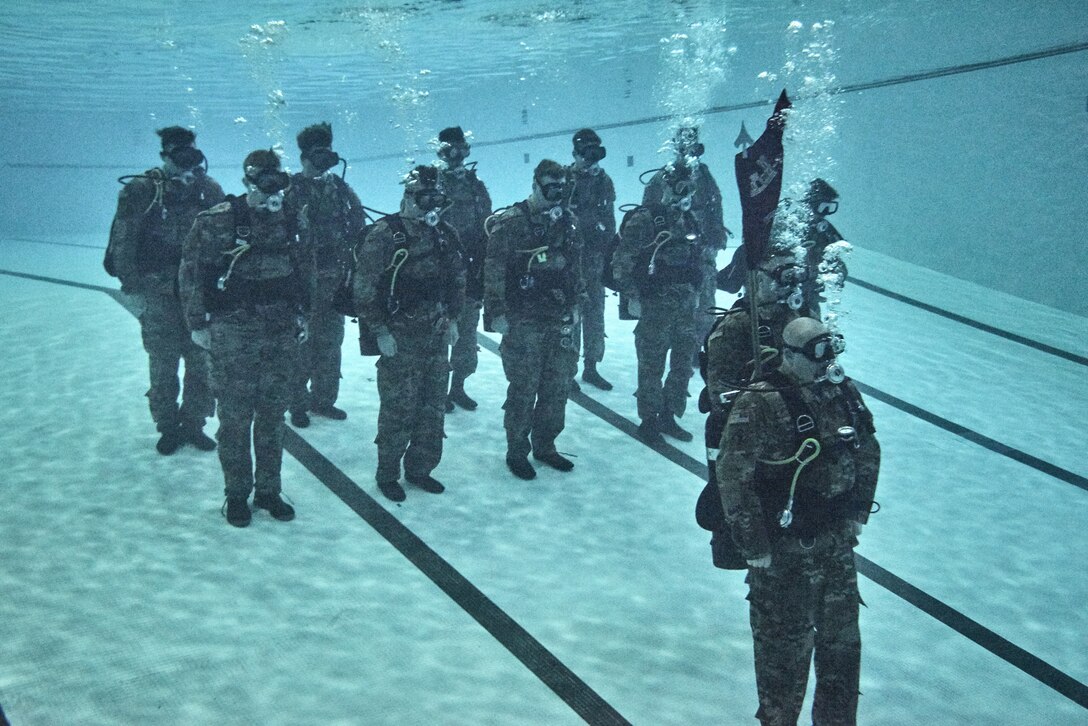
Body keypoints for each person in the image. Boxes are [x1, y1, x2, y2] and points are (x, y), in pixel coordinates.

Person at [716, 317, 880, 726]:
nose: (828, 362)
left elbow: (868, 445)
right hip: (784, 553)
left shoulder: (842, 391)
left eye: (831, 349)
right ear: (789, 355)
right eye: (817, 353)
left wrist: (858, 508)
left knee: (842, 650)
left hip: (836, 546)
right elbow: (733, 474)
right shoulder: (761, 402)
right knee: (783, 658)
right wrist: (754, 545)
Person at [179, 149, 311, 527]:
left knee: (272, 416)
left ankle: (268, 490)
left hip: (281, 328)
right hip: (233, 330)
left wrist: (304, 315)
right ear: (247, 181)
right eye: (263, 181)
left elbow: (305, 270)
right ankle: (236, 494)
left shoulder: (292, 218)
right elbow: (190, 275)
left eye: (276, 180)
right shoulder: (215, 221)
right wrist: (197, 324)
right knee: (235, 418)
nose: (271, 190)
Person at [108, 126, 224, 454]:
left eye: (191, 152)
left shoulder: (209, 189)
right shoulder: (143, 190)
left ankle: (195, 423)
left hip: (199, 294)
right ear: (164, 156)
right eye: (178, 154)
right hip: (158, 293)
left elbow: (222, 239)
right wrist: (132, 285)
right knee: (163, 364)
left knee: (201, 363)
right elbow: (124, 239)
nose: (187, 161)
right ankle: (167, 425)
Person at [353, 166, 465, 502]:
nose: (429, 206)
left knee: (432, 406)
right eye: (423, 198)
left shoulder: (445, 234)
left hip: (436, 332)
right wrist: (379, 331)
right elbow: (364, 289)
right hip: (399, 337)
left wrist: (455, 320)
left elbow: (456, 281)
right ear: (407, 198)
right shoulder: (385, 235)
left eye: (435, 199)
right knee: (398, 407)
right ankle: (388, 471)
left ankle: (420, 468)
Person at [484, 160, 584, 480]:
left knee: (558, 385)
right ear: (535, 185)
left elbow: (574, 267)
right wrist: (496, 314)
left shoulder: (567, 222)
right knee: (524, 387)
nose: (556, 194)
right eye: (550, 187)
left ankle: (545, 445)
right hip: (522, 317)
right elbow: (493, 271)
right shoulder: (510, 223)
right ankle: (517, 450)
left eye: (561, 188)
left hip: (559, 315)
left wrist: (578, 303)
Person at [613, 163, 704, 444]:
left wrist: (698, 291)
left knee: (682, 364)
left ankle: (669, 413)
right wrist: (633, 297)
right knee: (652, 364)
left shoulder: (690, 220)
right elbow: (621, 262)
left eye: (689, 188)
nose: (685, 194)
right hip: (655, 305)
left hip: (686, 307)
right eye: (679, 187)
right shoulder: (645, 219)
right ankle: (648, 419)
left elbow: (696, 261)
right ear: (665, 187)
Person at [285, 122, 365, 428]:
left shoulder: (340, 189)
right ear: (305, 157)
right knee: (301, 343)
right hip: (300, 282)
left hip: (334, 281)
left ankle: (323, 400)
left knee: (331, 344)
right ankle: (297, 403)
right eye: (317, 157)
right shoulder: (289, 190)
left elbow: (358, 226)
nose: (323, 164)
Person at [642, 126, 729, 363]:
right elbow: (646, 215)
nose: (688, 151)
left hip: (701, 252)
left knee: (705, 307)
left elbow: (715, 205)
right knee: (671, 309)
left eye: (693, 145)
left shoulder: (704, 175)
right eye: (684, 146)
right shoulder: (661, 178)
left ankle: (694, 355)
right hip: (672, 257)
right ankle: (672, 356)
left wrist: (715, 236)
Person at [434, 126, 492, 411]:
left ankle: (457, 387)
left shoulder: (475, 185)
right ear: (443, 152)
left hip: (470, 269)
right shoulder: (432, 184)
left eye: (461, 148)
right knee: (441, 333)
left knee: (467, 333)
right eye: (451, 150)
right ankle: (437, 391)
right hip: (441, 270)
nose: (457, 156)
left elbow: (487, 226)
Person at [567, 128, 616, 391]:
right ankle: (568, 369)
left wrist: (609, 251)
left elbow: (609, 218)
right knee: (573, 312)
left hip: (595, 258)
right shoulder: (565, 179)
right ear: (575, 152)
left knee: (595, 313)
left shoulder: (604, 181)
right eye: (586, 152)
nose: (591, 158)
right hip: (571, 259)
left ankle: (591, 366)